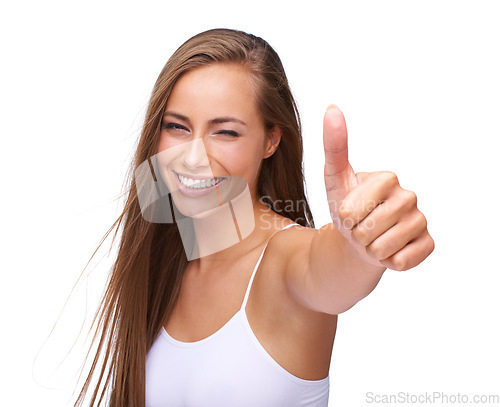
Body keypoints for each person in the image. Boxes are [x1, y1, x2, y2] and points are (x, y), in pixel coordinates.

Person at [74, 28, 434, 407]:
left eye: (226, 132)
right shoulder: (163, 261)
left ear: (270, 141)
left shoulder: (285, 260)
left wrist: (360, 247)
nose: (193, 157)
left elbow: (329, 268)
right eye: (177, 127)